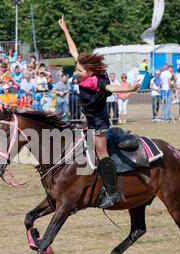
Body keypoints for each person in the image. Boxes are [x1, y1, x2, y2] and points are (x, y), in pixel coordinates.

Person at [58, 14, 140, 208]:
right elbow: (73, 50)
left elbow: (112, 89)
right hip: (92, 119)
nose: (75, 72)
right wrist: (65, 29)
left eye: (79, 71)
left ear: (90, 73)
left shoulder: (98, 82)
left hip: (98, 122)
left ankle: (113, 193)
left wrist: (129, 89)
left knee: (102, 153)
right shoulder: (87, 73)